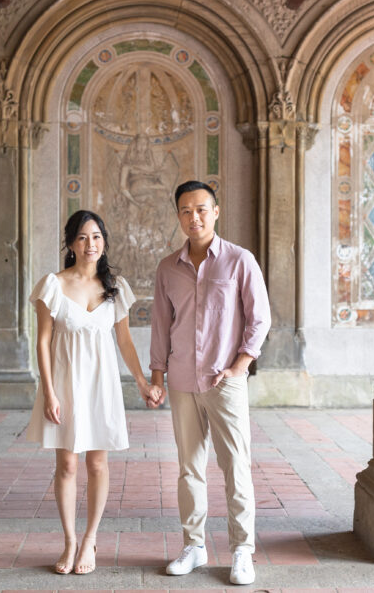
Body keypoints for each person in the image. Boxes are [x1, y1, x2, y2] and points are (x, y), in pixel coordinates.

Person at [27, 210, 163, 575]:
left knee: (97, 463)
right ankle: (70, 540)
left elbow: (125, 342)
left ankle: (90, 538)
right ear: (71, 244)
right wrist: (49, 393)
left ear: (104, 242)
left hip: (101, 386)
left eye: (97, 237)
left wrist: (142, 381)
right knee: (67, 464)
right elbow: (42, 343)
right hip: (64, 384)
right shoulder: (52, 285)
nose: (91, 244)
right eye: (83, 237)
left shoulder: (115, 287)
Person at [148, 180, 271, 586]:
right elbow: (162, 327)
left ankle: (242, 551)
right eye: (186, 210)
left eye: (201, 209)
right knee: (189, 468)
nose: (194, 217)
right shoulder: (168, 268)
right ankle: (194, 545)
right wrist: (157, 376)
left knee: (235, 465)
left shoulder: (239, 261)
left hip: (225, 381)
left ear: (216, 212)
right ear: (179, 216)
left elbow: (260, 319)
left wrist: (240, 366)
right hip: (182, 381)